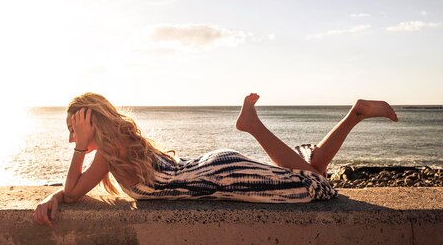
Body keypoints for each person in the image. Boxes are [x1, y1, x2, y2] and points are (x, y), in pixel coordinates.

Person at [33, 92, 398, 226]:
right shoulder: (122, 149)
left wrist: (80, 148)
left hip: (222, 175)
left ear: (90, 124)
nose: (71, 137)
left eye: (74, 129)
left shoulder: (110, 157)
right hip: (215, 169)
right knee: (311, 171)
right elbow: (71, 192)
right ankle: (356, 113)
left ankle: (254, 125)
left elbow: (75, 191)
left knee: (316, 185)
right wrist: (54, 196)